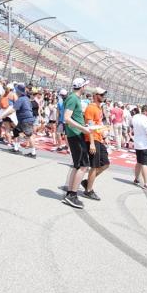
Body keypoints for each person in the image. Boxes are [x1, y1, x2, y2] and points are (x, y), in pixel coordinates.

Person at [62, 78, 91, 209]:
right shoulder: (73, 98)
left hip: (75, 133)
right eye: (85, 85)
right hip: (75, 134)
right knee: (83, 166)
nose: (86, 88)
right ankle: (72, 195)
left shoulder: (74, 98)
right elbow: (67, 118)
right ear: (82, 87)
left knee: (77, 165)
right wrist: (82, 128)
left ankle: (70, 192)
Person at [80, 87, 110, 200]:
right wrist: (92, 143)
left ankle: (88, 182)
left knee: (106, 164)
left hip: (99, 138)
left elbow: (97, 125)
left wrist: (104, 135)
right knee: (94, 166)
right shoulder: (91, 108)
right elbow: (90, 127)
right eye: (101, 95)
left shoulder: (98, 108)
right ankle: (88, 190)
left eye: (103, 95)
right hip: (92, 140)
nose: (103, 97)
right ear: (95, 95)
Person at [11, 83, 37, 158]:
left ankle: (33, 153)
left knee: (30, 135)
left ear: (18, 91)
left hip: (25, 120)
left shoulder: (21, 99)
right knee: (16, 131)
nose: (15, 92)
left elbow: (13, 109)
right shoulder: (26, 98)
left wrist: (3, 115)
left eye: (16, 90)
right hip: (23, 120)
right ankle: (16, 148)